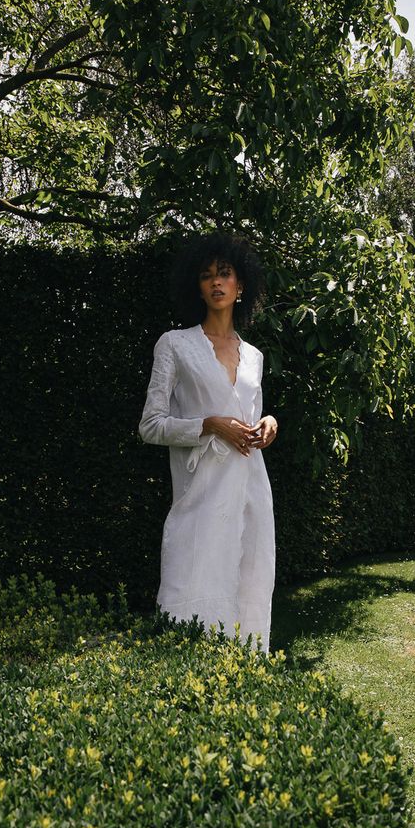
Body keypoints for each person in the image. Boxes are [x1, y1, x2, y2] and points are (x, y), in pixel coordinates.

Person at [138, 232, 277, 653]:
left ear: (241, 286)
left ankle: (245, 687)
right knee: (190, 588)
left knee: (250, 585)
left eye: (225, 274)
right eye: (206, 276)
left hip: (252, 491)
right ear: (196, 287)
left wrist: (269, 422)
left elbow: (252, 413)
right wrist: (209, 424)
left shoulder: (253, 356)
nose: (216, 283)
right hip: (200, 497)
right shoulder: (176, 345)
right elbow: (151, 425)